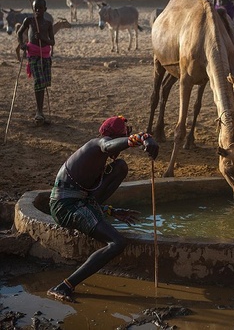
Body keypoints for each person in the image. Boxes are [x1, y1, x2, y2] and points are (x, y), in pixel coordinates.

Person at [46, 115, 159, 302]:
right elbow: (108, 146)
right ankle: (64, 286)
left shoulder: (101, 160)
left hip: (80, 202)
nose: (118, 150)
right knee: (117, 243)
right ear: (113, 138)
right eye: (120, 139)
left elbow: (87, 196)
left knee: (120, 167)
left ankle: (65, 285)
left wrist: (111, 211)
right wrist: (142, 137)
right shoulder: (98, 144)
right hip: (65, 206)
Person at [17, 0, 55, 126]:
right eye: (35, 8)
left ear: (45, 9)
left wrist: (43, 38)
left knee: (43, 83)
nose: (38, 10)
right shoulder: (29, 20)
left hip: (45, 55)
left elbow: (52, 42)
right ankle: (39, 112)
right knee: (38, 81)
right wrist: (22, 44)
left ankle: (41, 111)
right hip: (33, 55)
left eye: (40, 8)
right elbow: (19, 32)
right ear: (33, 9)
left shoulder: (48, 24)